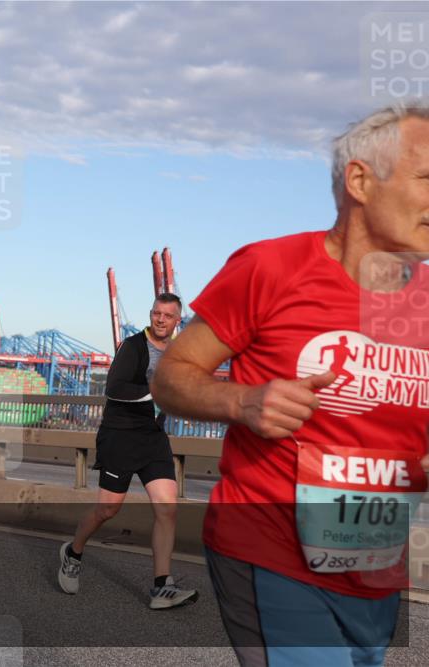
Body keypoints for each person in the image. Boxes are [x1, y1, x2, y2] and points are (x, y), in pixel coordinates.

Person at [151, 103, 429, 666]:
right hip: (268, 547)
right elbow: (171, 377)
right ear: (360, 180)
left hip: (375, 567)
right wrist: (243, 400)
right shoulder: (270, 268)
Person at [58, 293, 198, 609]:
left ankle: (162, 586)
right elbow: (115, 388)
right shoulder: (133, 346)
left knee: (168, 508)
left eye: (167, 315)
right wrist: (157, 390)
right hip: (120, 436)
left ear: (178, 321)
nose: (160, 319)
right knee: (108, 510)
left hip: (153, 439)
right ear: (151, 315)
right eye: (156, 313)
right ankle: (73, 552)